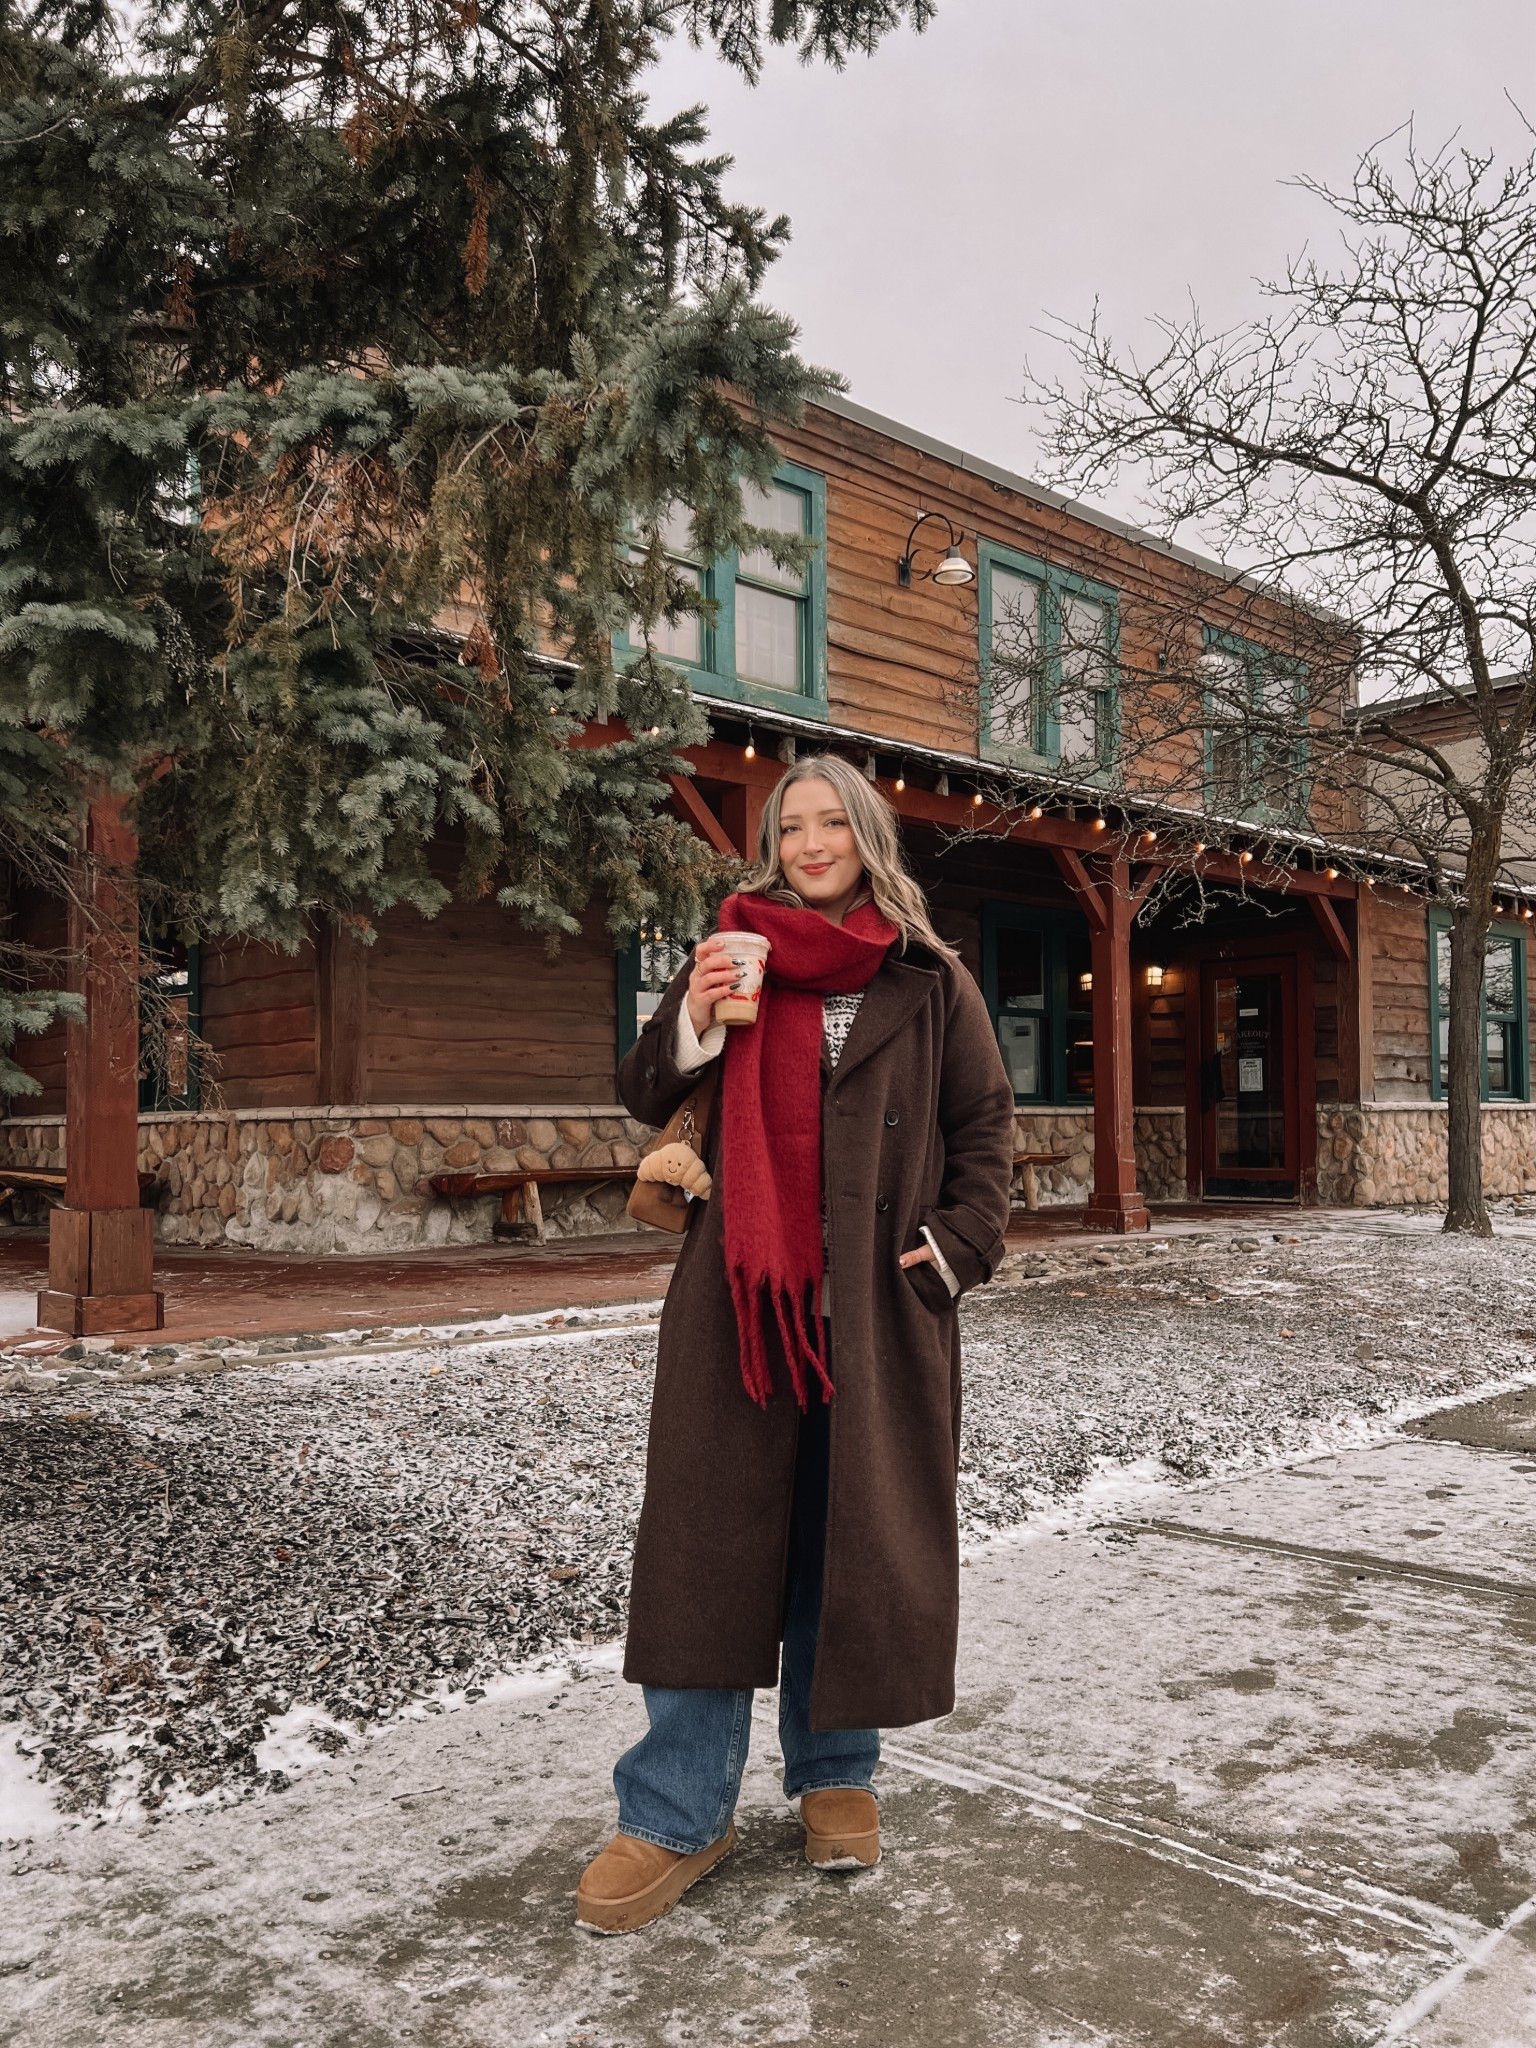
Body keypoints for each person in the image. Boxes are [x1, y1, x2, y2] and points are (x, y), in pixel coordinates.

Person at [576, 752, 1015, 1934]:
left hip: (876, 1314)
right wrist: (701, 1020)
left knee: (851, 1543)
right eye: (792, 826)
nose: (811, 842)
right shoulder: (729, 953)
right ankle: (675, 1810)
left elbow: (985, 1129)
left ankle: (837, 1775)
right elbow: (640, 1087)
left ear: (867, 833)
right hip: (738, 1306)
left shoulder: (932, 977)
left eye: (832, 822)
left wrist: (961, 1243)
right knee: (707, 1548)